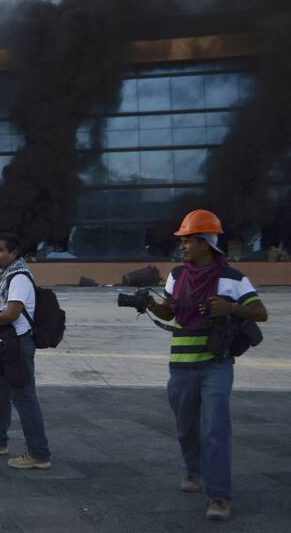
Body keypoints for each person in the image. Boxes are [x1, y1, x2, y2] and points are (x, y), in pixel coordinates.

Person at [146, 209, 268, 522]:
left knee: (216, 428)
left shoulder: (234, 278)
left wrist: (232, 308)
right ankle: (193, 469)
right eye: (183, 241)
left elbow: (260, 313)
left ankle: (219, 496)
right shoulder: (176, 275)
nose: (183, 246)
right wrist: (147, 304)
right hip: (181, 364)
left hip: (216, 364)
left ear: (205, 243)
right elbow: (169, 313)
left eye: (188, 240)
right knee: (186, 427)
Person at [0, 232, 51, 470]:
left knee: (25, 399)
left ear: (14, 253)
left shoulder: (19, 278)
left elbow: (13, 312)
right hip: (4, 346)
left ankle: (39, 453)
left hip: (16, 346)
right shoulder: (6, 276)